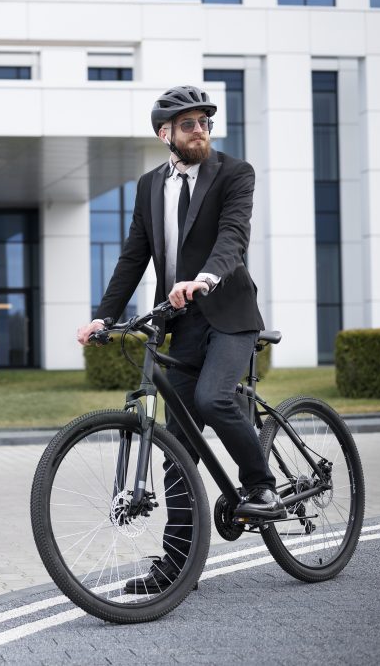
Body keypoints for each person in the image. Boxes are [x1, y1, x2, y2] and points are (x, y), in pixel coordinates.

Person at [75, 85, 285, 594]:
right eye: (190, 124)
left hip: (230, 315)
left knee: (214, 398)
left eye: (206, 123)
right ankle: (175, 567)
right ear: (164, 133)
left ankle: (261, 485)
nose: (201, 132)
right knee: (176, 452)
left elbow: (233, 235)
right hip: (182, 324)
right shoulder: (150, 186)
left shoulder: (235, 173)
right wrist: (103, 317)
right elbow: (134, 256)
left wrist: (204, 279)